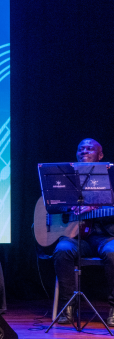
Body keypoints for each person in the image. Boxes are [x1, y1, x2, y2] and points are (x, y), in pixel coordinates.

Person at [53, 138, 114, 326]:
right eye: (81, 148)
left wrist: (96, 205)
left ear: (100, 155)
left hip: (106, 237)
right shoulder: (66, 178)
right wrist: (69, 207)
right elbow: (52, 204)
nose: (84, 151)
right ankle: (68, 306)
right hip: (78, 236)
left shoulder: (112, 176)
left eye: (90, 148)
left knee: (113, 252)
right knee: (62, 250)